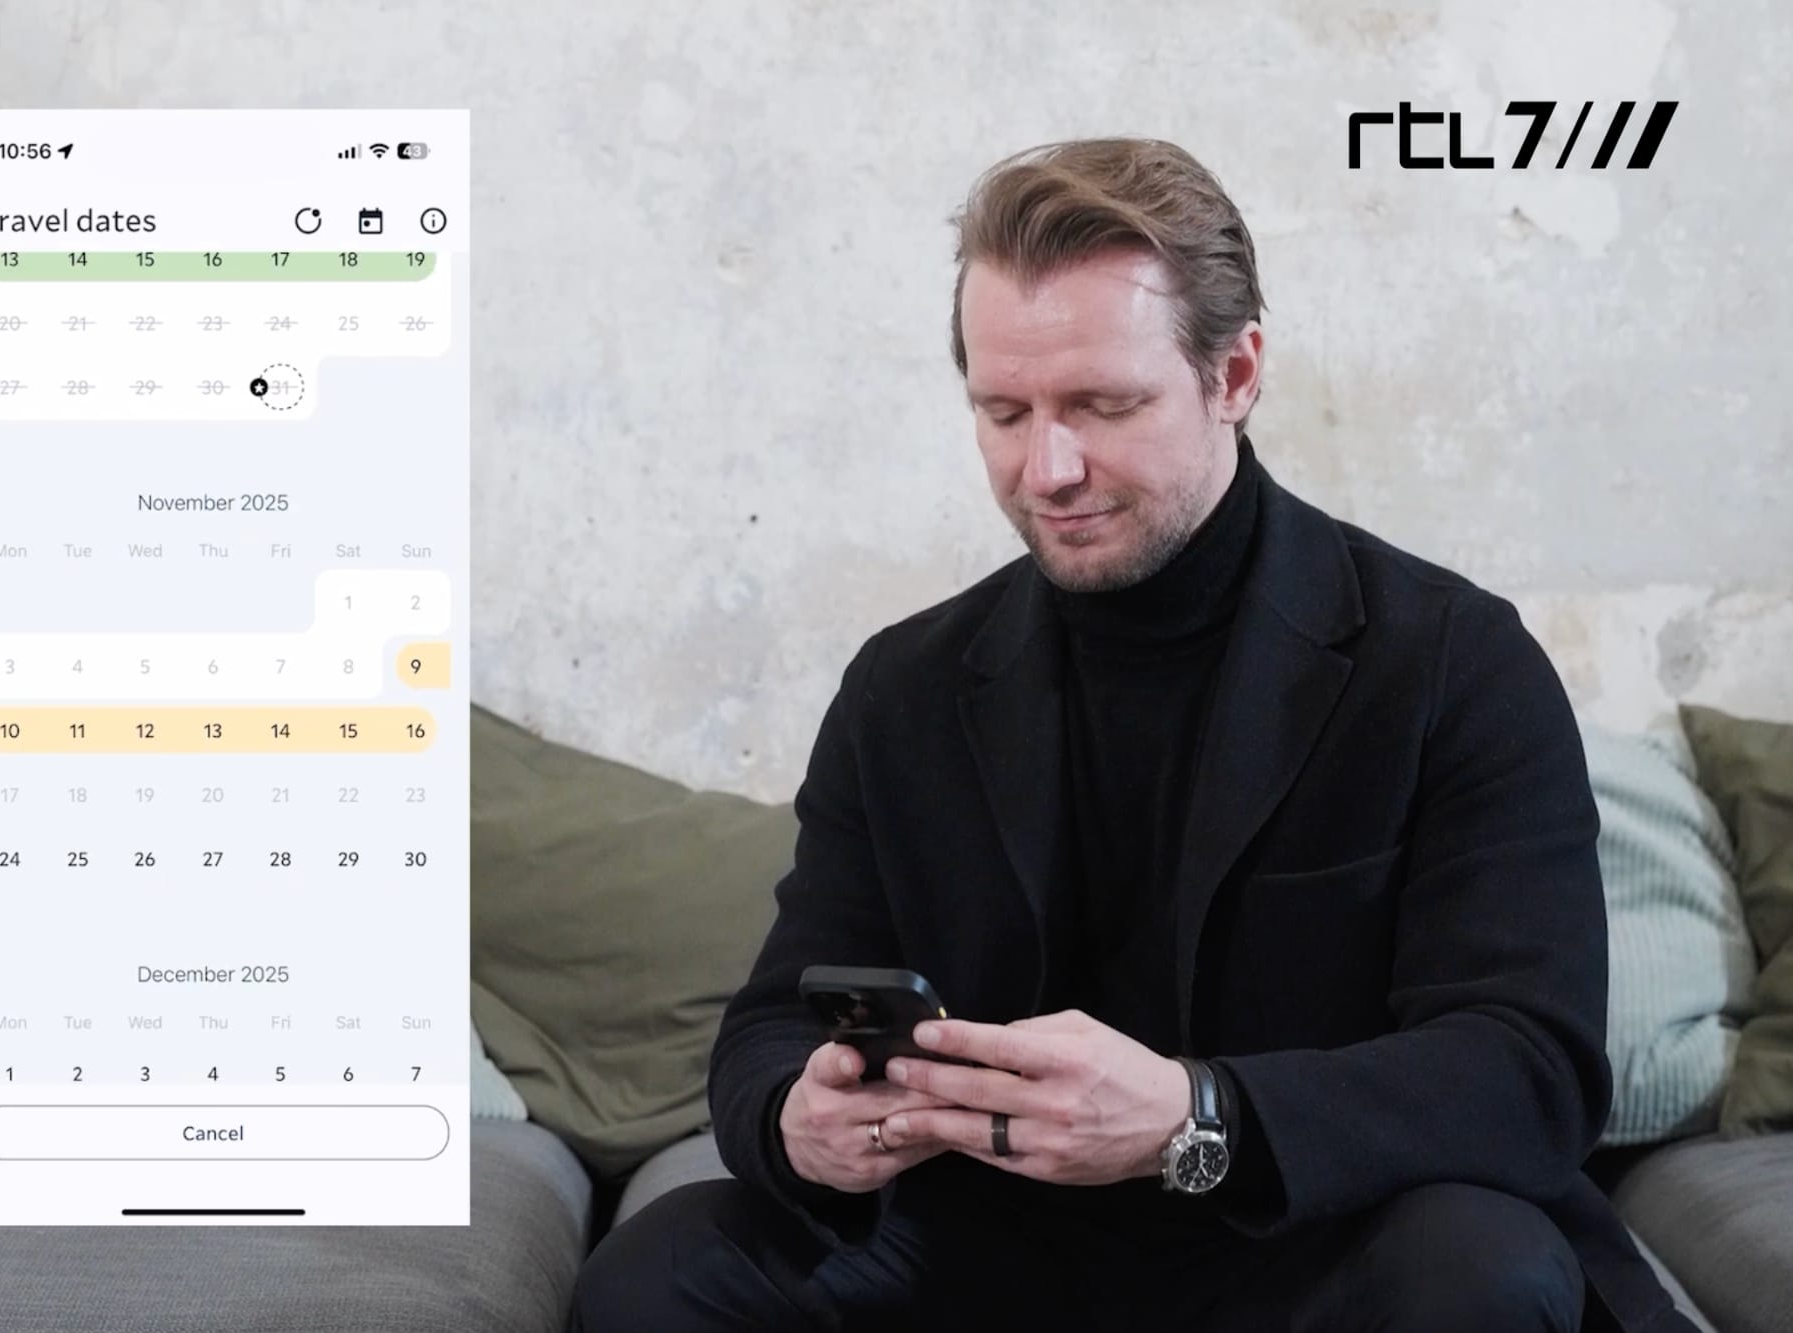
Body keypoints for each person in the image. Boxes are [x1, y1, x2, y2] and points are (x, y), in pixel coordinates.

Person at [572, 138, 1696, 1332]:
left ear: (1236, 371)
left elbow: (1526, 1069)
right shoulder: (901, 687)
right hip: (985, 1246)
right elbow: (771, 1023)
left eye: (1101, 405)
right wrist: (798, 1118)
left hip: (1308, 1240)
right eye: (1002, 412)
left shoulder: (1449, 662)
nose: (1045, 468)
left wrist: (1190, 1115)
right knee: (661, 1273)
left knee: (1480, 1268)